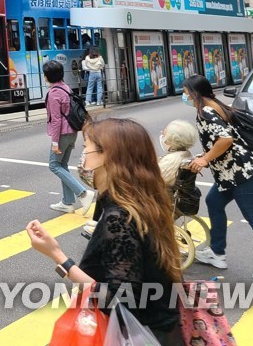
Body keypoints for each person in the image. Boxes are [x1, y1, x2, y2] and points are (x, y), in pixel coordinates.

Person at [26, 118, 184, 344]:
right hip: (164, 332)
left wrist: (58, 256)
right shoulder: (146, 203)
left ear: (109, 157)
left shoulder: (119, 218)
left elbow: (118, 299)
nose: (83, 160)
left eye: (86, 149)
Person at [183, 75, 253, 283]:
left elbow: (225, 139)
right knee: (213, 201)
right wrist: (205, 157)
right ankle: (217, 253)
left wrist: (205, 159)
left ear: (195, 94)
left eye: (186, 91)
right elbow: (223, 140)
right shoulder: (216, 105)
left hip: (242, 173)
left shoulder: (206, 111)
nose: (184, 95)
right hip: (231, 173)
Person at [43, 60, 96, 216]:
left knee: (54, 165)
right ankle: (67, 202)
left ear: (47, 76)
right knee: (63, 165)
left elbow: (56, 120)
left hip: (62, 134)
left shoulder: (53, 93)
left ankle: (83, 194)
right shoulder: (65, 87)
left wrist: (54, 142)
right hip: (72, 131)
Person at [158, 119, 196, 187]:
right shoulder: (186, 154)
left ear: (170, 140)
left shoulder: (170, 161)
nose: (161, 136)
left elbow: (155, 180)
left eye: (163, 134)